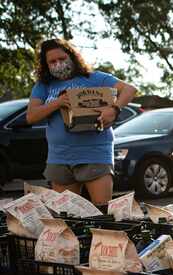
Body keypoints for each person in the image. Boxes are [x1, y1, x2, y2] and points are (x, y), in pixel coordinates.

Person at [27, 38, 137, 206]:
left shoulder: (94, 78)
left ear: (72, 57)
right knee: (67, 216)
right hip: (59, 158)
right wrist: (58, 102)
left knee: (102, 212)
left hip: (94, 155)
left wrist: (114, 109)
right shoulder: (44, 86)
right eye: (52, 62)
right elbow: (31, 116)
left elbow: (130, 89)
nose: (58, 64)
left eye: (62, 59)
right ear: (46, 65)